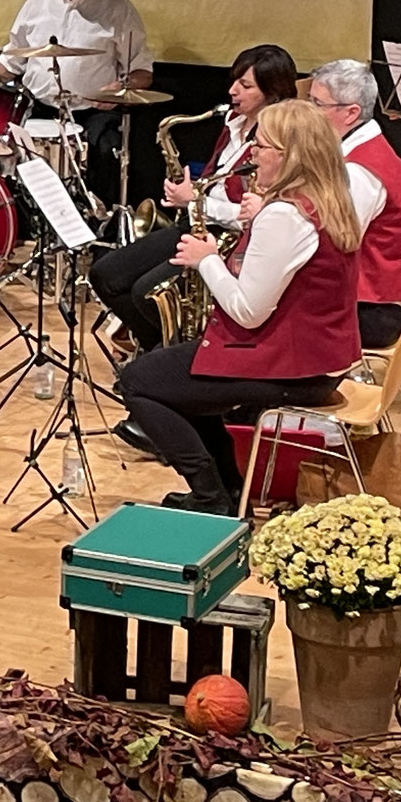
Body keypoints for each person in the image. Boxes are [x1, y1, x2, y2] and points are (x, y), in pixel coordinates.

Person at [117, 100, 363, 514]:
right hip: (320, 359)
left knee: (139, 380)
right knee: (176, 380)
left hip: (290, 368)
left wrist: (206, 258)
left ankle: (212, 496)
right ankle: (229, 487)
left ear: (288, 156)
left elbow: (248, 311)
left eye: (261, 146)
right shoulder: (326, 201)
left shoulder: (284, 217)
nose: (252, 153)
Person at [92, 44, 297, 359]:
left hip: (226, 237)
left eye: (245, 86)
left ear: (272, 93)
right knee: (105, 275)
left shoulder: (276, 142)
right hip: (197, 221)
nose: (232, 91)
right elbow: (220, 177)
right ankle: (156, 349)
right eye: (234, 81)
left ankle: (170, 356)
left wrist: (197, 202)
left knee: (144, 292)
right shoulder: (232, 120)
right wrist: (191, 191)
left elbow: (253, 215)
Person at [0, 0, 153, 204]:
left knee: (106, 150)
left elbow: (142, 71)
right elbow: (11, 60)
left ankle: (98, 222)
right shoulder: (37, 2)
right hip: (38, 106)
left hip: (90, 114)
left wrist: (120, 87)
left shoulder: (118, 10)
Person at [306, 59, 401, 350]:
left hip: (373, 311)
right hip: (359, 298)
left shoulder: (360, 170)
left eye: (318, 104)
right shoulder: (354, 150)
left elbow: (336, 240)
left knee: (262, 316)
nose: (308, 112)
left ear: (351, 113)